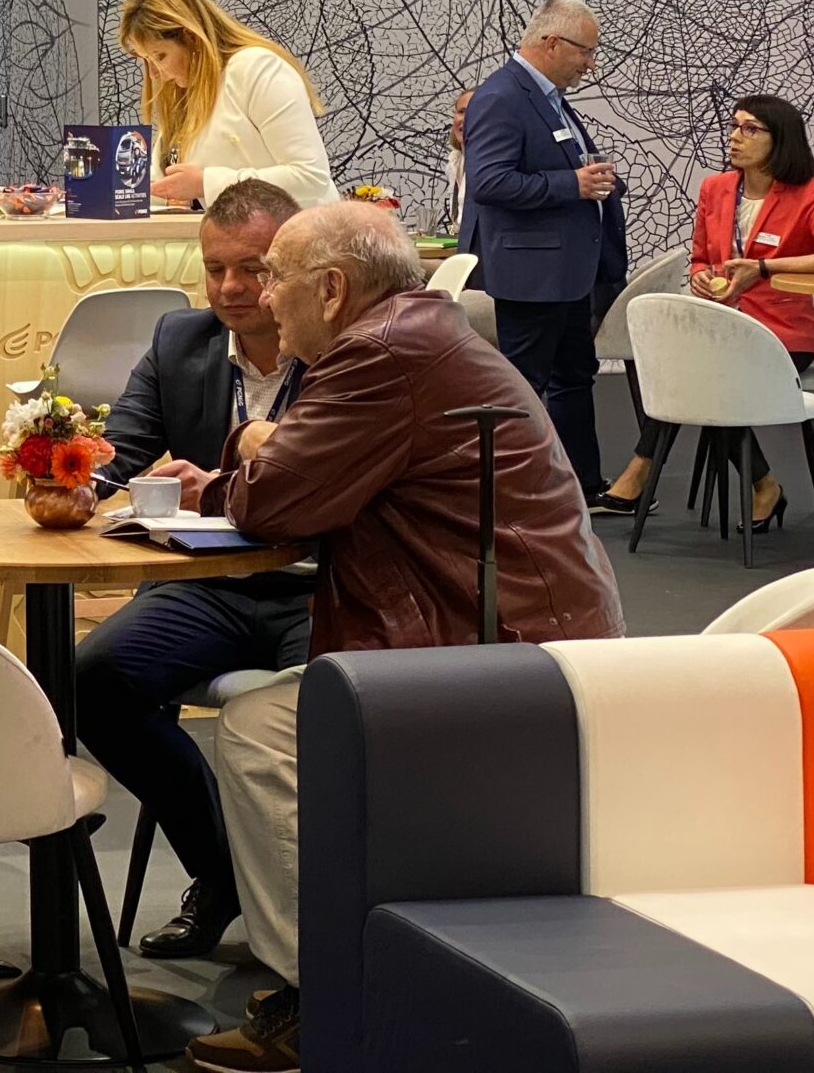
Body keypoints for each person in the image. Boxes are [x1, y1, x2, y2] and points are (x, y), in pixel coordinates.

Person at [187, 202, 623, 1073]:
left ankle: (330, 996)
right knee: (272, 713)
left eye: (274, 276)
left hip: (495, 657)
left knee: (262, 733)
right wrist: (268, 448)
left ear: (332, 289)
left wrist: (239, 449)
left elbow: (275, 500)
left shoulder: (378, 356)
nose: (263, 297)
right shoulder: (417, 336)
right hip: (513, 634)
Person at [73, 179, 311, 962]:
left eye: (253, 269)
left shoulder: (338, 345)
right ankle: (223, 875)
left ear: (294, 269)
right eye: (215, 269)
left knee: (328, 714)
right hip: (212, 588)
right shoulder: (181, 341)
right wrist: (78, 481)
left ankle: (325, 921)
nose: (230, 287)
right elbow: (117, 453)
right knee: (93, 683)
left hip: (321, 584)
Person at [600, 96, 814, 525]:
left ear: (780, 139)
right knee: (703, 375)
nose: (735, 137)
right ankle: (764, 485)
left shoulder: (811, 194)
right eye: (735, 126)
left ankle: (642, 471)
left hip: (781, 335)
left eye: (750, 129)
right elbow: (702, 257)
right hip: (721, 328)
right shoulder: (715, 189)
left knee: (702, 379)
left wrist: (764, 268)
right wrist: (701, 274)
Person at [455, 0, 628, 508]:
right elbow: (489, 182)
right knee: (525, 386)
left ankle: (581, 487)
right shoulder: (502, 96)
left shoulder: (548, 97)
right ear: (551, 42)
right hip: (531, 274)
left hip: (567, 271)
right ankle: (513, 496)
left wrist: (591, 180)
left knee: (574, 376)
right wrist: (572, 184)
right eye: (585, 51)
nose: (590, 63)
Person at [119, 0, 335, 211]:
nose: (154, 74)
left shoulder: (256, 68)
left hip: (302, 228)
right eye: (146, 60)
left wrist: (205, 183)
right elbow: (164, 186)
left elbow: (311, 176)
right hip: (234, 230)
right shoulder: (181, 95)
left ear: (191, 38)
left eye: (160, 56)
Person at [442, 88, 471, 232]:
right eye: (461, 112)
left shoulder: (495, 163)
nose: (465, 119)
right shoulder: (454, 162)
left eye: (473, 112)